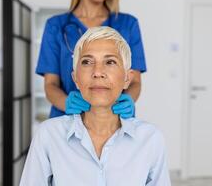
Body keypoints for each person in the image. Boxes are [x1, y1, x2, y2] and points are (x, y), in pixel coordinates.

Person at [20, 27, 170, 186]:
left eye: (110, 61)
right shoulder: (48, 136)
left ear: (127, 78)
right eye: (87, 62)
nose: (98, 72)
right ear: (75, 78)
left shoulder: (151, 139)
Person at [36, 0, 147, 118]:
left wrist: (128, 100)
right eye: (86, 61)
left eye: (110, 61)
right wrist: (66, 103)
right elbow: (50, 84)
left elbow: (135, 81)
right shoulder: (56, 25)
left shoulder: (127, 24)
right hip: (67, 121)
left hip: (114, 119)